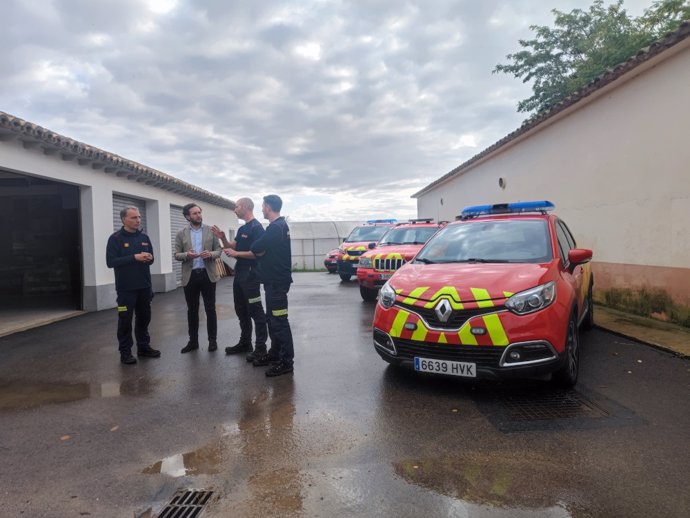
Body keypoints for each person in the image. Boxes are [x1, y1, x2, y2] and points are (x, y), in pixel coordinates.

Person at [211, 197, 269, 362]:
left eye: (236, 206)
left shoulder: (257, 228)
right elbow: (231, 247)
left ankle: (261, 348)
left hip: (251, 274)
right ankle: (245, 343)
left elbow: (260, 253)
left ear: (244, 207)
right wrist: (222, 238)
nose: (234, 209)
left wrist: (237, 255)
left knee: (255, 311)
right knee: (241, 309)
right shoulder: (243, 228)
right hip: (240, 273)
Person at [106, 206, 160, 365]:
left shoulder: (144, 237)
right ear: (124, 219)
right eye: (133, 218)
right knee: (125, 319)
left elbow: (152, 260)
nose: (138, 220)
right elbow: (111, 262)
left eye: (139, 217)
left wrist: (149, 258)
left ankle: (143, 347)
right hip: (125, 290)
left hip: (144, 287)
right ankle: (125, 352)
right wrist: (134, 257)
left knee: (144, 318)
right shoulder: (115, 238)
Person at [250, 194, 294, 377]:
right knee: (272, 320)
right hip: (273, 282)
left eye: (262, 206)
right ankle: (275, 354)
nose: (261, 209)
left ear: (268, 207)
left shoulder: (276, 228)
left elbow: (256, 246)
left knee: (279, 322)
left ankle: (286, 362)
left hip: (277, 283)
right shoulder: (278, 226)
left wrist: (261, 250)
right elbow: (260, 248)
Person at [174, 203, 222, 353]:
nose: (198, 215)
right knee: (192, 310)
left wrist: (211, 254)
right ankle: (193, 341)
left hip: (207, 274)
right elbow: (176, 254)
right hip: (190, 276)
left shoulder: (210, 231)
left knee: (210, 309)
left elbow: (219, 250)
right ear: (188, 216)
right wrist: (187, 255)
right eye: (194, 213)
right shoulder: (181, 233)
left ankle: (212, 341)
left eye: (199, 212)